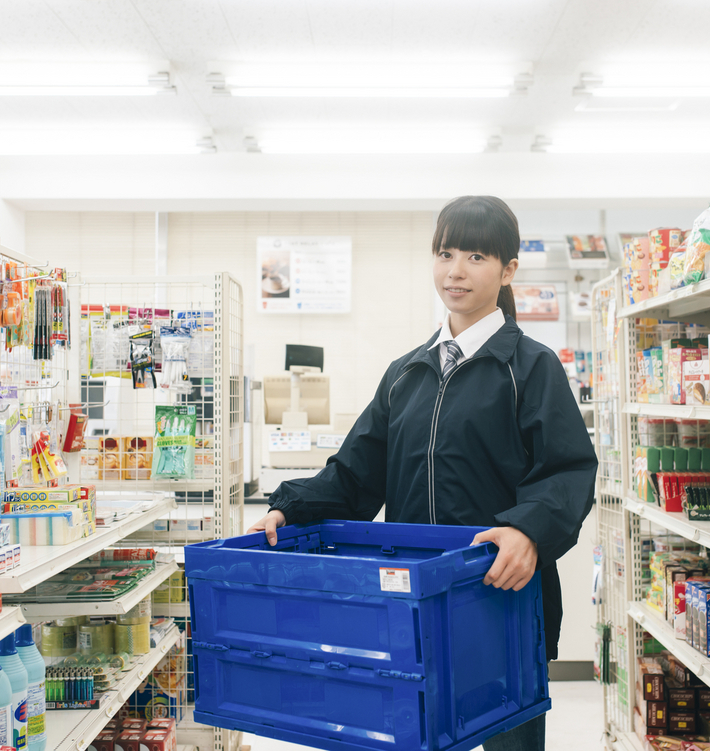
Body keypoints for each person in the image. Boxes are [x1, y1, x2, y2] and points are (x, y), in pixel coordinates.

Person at [249, 195, 598, 751]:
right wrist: (294, 506)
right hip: (413, 595)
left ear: (509, 269)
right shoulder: (405, 373)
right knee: (418, 736)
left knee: (510, 740)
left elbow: (568, 469)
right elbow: (356, 472)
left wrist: (528, 529)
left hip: (501, 594)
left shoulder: (531, 368)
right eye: (445, 253)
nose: (456, 270)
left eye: (477, 257)